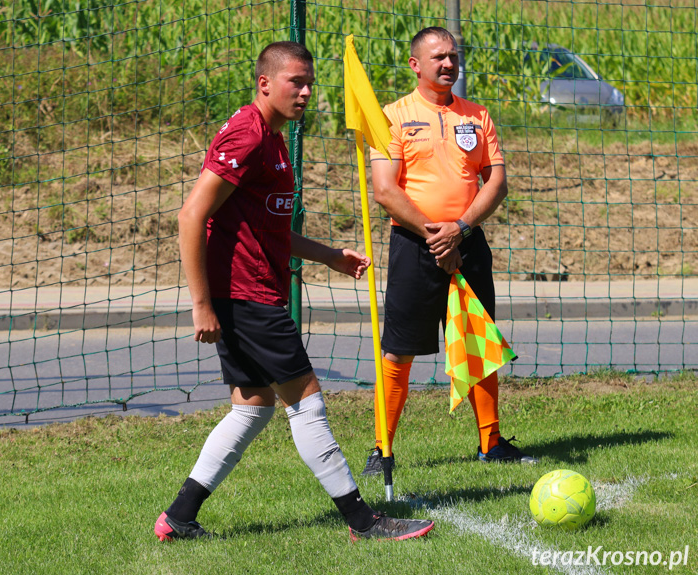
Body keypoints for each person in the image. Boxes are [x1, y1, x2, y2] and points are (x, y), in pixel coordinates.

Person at [154, 41, 434, 542]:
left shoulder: (274, 138)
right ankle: (362, 521)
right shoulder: (247, 134)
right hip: (246, 297)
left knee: (253, 407)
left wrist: (328, 254)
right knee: (307, 402)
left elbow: (268, 229)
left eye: (309, 83)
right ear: (265, 84)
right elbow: (191, 215)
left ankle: (178, 516)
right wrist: (201, 304)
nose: (306, 92)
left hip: (251, 294)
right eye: (295, 83)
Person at [362, 27, 538, 476]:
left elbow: (495, 182)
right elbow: (384, 190)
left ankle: (491, 443)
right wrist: (434, 236)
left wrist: (459, 230)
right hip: (413, 247)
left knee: (478, 344)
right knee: (399, 351)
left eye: (453, 56)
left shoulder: (478, 116)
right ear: (415, 65)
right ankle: (382, 449)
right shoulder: (391, 117)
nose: (448, 64)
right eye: (438, 57)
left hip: (468, 244)